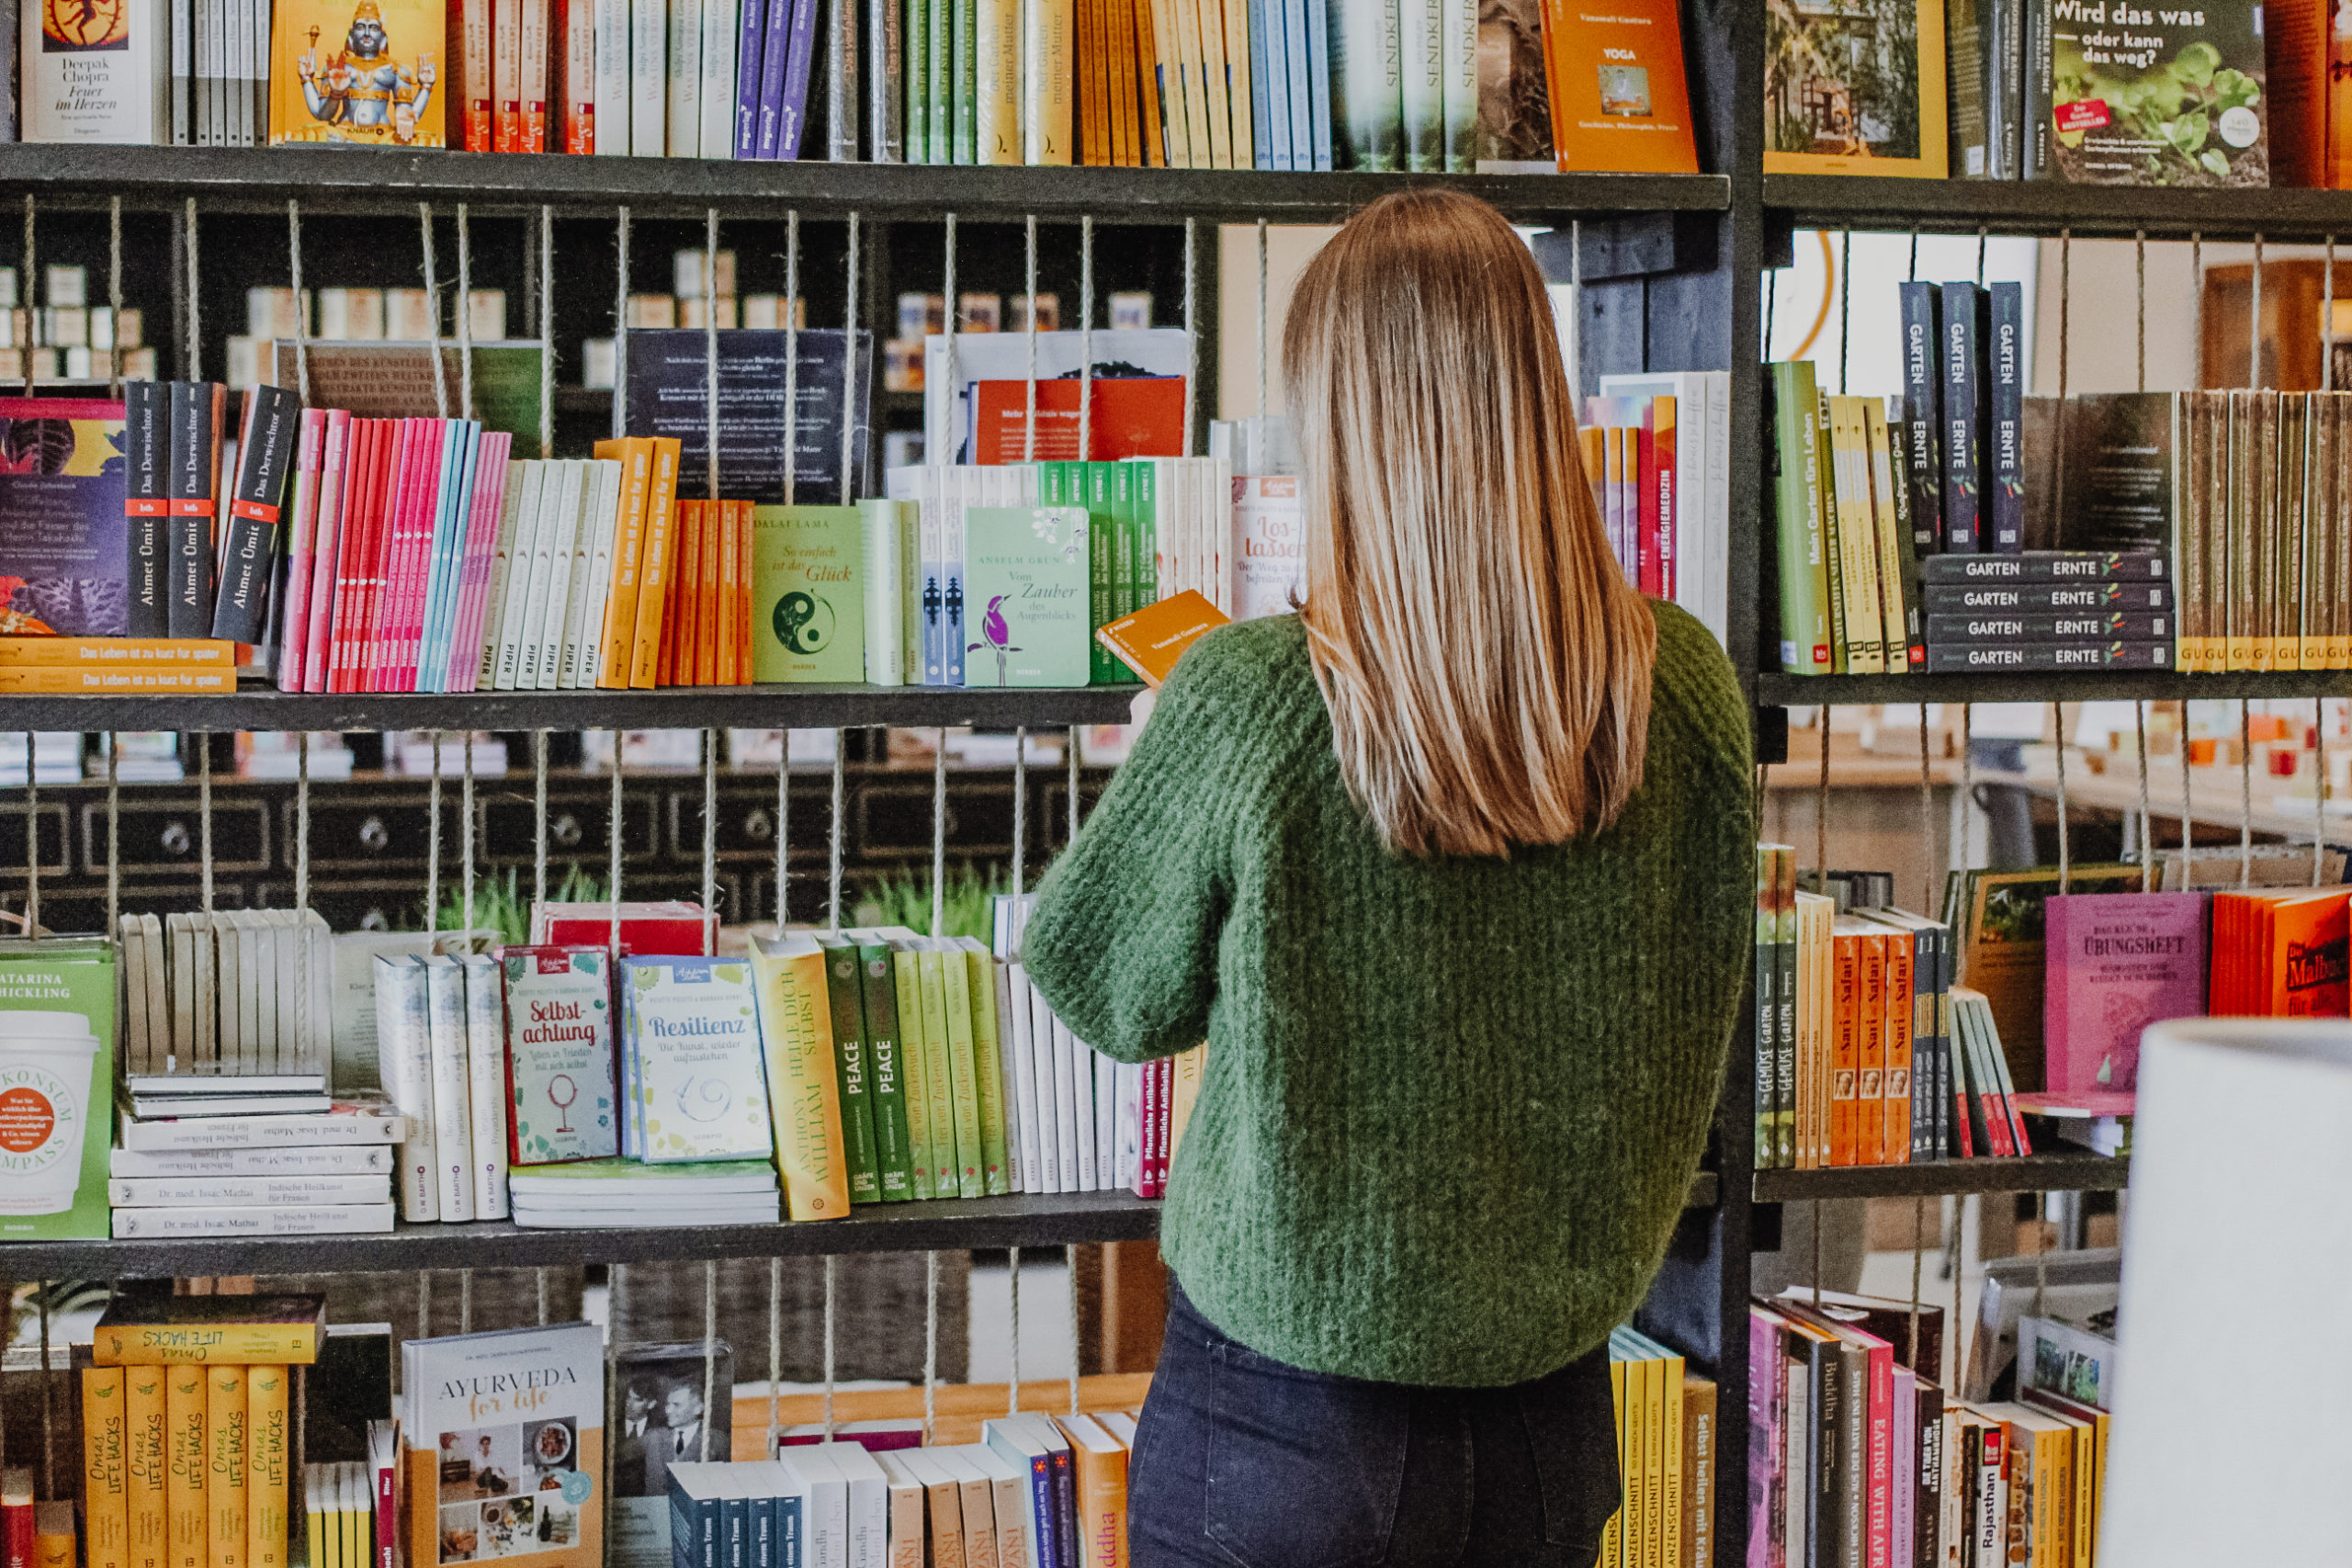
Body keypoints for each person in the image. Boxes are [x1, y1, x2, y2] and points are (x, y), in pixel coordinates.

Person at [1023, 188, 1752, 1566]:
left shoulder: (1250, 701)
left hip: (1282, 1435)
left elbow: (1106, 988)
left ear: (1342, 421)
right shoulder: (1690, 693)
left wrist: (1158, 758)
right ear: (1539, 404)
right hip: (1551, 1426)